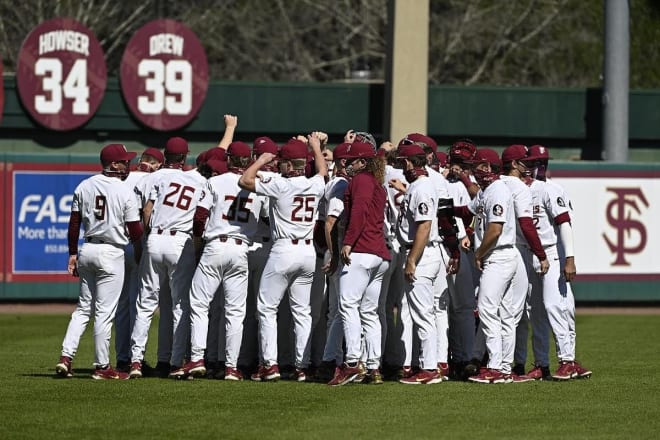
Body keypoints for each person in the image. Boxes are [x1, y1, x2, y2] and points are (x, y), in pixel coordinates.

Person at [175, 141, 267, 380]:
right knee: (235, 312)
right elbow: (267, 217)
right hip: (241, 249)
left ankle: (196, 357)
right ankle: (231, 367)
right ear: (247, 160)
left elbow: (199, 217)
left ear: (228, 159)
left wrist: (198, 245)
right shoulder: (258, 185)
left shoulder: (214, 181)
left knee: (199, 304)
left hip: (215, 245)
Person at [239, 134, 327, 382]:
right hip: (308, 252)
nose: (278, 166)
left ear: (289, 165)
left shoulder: (282, 185)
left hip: (284, 249)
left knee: (266, 308)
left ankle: (270, 364)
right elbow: (321, 170)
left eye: (282, 163)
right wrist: (317, 148)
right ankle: (303, 366)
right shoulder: (315, 184)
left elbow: (245, 180)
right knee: (302, 311)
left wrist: (261, 160)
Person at [55, 143, 143, 380]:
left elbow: (74, 224)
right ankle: (102, 367)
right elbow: (135, 230)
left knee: (83, 309)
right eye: (124, 161)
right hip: (111, 252)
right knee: (104, 313)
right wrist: (140, 251)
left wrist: (73, 253)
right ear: (113, 164)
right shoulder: (124, 190)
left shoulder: (85, 185)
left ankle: (66, 357)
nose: (128, 164)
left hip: (88, 248)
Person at [129, 137, 206, 378]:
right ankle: (175, 362)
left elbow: (146, 209)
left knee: (145, 303)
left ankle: (135, 362)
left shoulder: (155, 176)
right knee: (180, 304)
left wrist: (148, 235)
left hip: (156, 238)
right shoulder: (198, 180)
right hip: (180, 241)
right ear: (184, 158)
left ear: (166, 155)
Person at [516, 144, 591, 380]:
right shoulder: (518, 188)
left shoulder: (551, 189)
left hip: (551, 253)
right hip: (529, 254)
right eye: (535, 161)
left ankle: (567, 360)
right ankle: (541, 364)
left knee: (554, 306)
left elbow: (564, 223)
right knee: (534, 311)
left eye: (544, 161)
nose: (540, 165)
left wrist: (569, 258)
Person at [389, 142, 460, 385]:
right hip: (427, 252)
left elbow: (424, 226)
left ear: (410, 163)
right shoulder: (421, 185)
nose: (401, 166)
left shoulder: (421, 187)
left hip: (421, 254)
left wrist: (411, 260)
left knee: (422, 314)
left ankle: (428, 368)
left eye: (402, 162)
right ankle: (429, 364)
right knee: (426, 312)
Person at [326, 142, 391, 386]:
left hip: (362, 251)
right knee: (369, 312)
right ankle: (373, 366)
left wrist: (349, 242)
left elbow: (359, 212)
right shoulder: (377, 182)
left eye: (352, 161)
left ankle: (352, 363)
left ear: (363, 162)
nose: (347, 164)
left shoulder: (362, 180)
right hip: (378, 254)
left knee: (348, 305)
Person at [456, 148, 519, 384]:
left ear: (489, 168)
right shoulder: (487, 190)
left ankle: (495, 367)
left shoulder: (498, 190)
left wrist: (478, 253)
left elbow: (495, 230)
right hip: (500, 255)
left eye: (478, 166)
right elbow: (470, 212)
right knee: (503, 313)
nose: (474, 170)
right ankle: (503, 367)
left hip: (499, 255)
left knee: (487, 309)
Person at [115, 147, 164, 373]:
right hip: (138, 243)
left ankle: (123, 358)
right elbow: (149, 212)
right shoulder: (153, 179)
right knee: (139, 304)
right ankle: (137, 358)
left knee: (122, 305)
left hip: (116, 244)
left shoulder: (122, 178)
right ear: (156, 164)